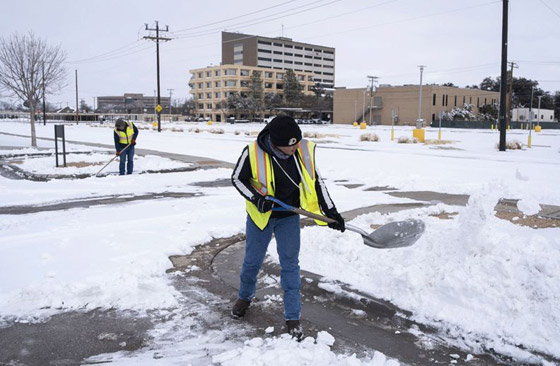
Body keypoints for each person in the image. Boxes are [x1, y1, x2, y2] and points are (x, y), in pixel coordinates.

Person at [230, 115, 345, 341]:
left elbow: (317, 183)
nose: (294, 148)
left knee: (290, 265)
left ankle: (293, 317)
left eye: (296, 143)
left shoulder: (302, 150)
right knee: (252, 261)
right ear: (275, 142)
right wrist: (257, 199)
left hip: (289, 216)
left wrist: (331, 212)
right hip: (261, 217)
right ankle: (244, 297)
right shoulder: (252, 152)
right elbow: (237, 179)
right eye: (288, 145)